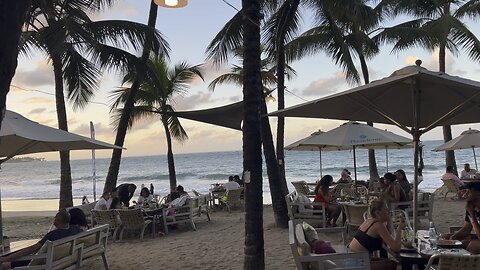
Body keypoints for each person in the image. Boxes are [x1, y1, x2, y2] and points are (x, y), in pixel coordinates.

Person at [0, 211, 80, 269]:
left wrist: (7, 258)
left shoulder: (53, 235)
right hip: (61, 260)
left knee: (4, 264)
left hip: (41, 262)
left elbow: (32, 249)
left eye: (55, 218)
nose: (54, 219)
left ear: (57, 221)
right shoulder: (75, 229)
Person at [349, 200, 404, 270]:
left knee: (385, 261)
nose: (389, 212)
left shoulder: (368, 221)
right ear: (378, 213)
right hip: (358, 262)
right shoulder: (378, 225)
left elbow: (389, 235)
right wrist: (400, 229)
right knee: (392, 264)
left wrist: (389, 220)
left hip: (352, 257)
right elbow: (396, 248)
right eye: (386, 210)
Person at [450, 182, 480, 254]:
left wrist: (472, 215)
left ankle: (466, 264)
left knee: (473, 245)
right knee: (449, 237)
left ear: (478, 193)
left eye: (468, 192)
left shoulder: (471, 210)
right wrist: (453, 238)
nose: (464, 195)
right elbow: (466, 229)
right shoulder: (471, 207)